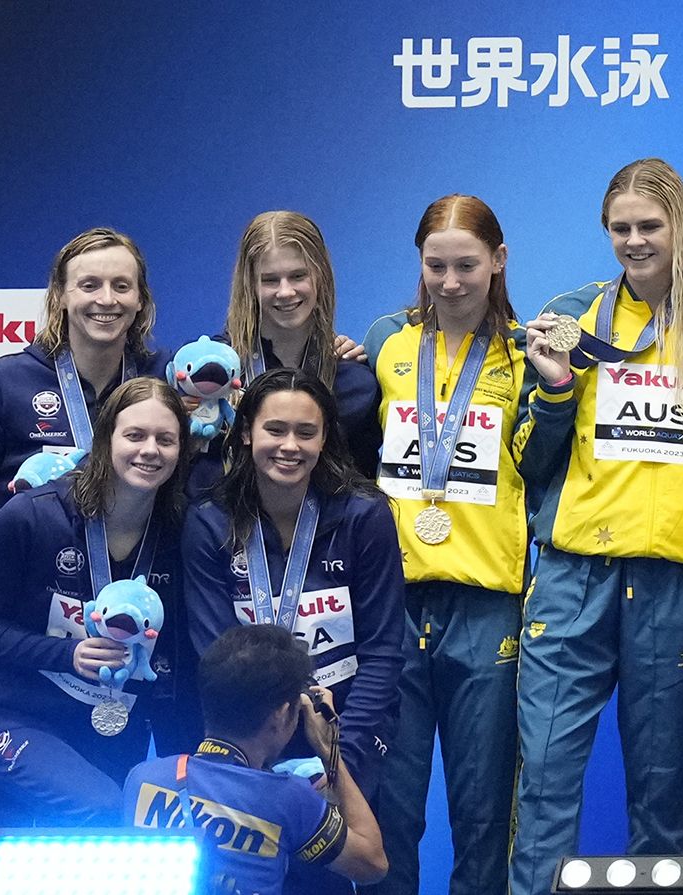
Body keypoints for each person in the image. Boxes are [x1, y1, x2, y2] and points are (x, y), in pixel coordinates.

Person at [512, 158, 683, 895]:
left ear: (681, 227)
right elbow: (525, 458)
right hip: (572, 577)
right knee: (545, 784)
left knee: (659, 800)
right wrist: (555, 390)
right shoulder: (570, 315)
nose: (635, 240)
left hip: (676, 582)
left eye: (650, 225)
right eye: (621, 227)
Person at [365, 194, 562, 895]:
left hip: (488, 604)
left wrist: (557, 389)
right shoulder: (387, 342)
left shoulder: (526, 350)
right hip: (394, 602)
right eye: (436, 265)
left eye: (467, 265)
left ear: (499, 261)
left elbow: (541, 466)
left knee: (482, 811)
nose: (450, 282)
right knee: (391, 808)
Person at [0, 377, 189, 894]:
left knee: (94, 867)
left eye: (165, 440)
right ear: (106, 441)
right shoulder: (34, 515)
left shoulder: (181, 533)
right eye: (135, 436)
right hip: (6, 714)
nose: (149, 450)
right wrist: (67, 652)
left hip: (108, 724)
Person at [182, 368, 404, 818]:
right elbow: (216, 655)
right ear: (246, 432)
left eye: (307, 432)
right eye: (274, 429)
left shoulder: (365, 517)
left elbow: (382, 652)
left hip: (348, 729)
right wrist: (254, 759)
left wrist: (342, 760)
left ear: (324, 440)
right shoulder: (209, 523)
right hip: (248, 735)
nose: (290, 446)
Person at [0, 227, 170, 543]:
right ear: (61, 296)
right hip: (32, 584)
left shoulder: (163, 377)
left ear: (140, 299)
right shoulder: (10, 379)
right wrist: (10, 533)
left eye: (121, 286)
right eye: (89, 285)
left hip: (138, 584)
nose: (106, 299)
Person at [125, 624, 388, 894]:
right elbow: (373, 863)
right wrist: (330, 749)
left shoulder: (144, 778)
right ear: (281, 714)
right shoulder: (289, 798)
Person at [189, 210, 382, 495]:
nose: (285, 291)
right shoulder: (211, 374)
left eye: (298, 276)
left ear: (321, 276)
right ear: (249, 284)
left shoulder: (353, 384)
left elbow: (362, 492)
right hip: (222, 536)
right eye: (270, 280)